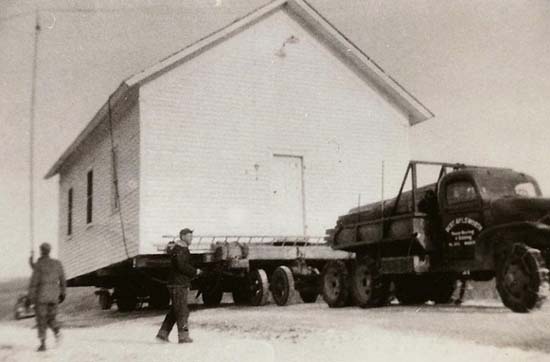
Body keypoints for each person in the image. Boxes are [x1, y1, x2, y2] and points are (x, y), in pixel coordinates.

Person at [156, 228, 201, 343]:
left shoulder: (180, 248)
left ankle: (162, 334)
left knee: (176, 310)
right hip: (178, 284)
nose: (191, 238)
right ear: (183, 236)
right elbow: (181, 265)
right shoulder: (180, 249)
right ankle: (183, 336)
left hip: (178, 283)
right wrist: (194, 271)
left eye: (192, 236)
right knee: (182, 311)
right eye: (189, 236)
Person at [27, 242, 66, 352]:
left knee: (41, 319)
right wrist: (63, 293)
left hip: (41, 297)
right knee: (51, 318)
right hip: (54, 296)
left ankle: (43, 344)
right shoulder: (57, 263)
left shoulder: (39, 265)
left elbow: (34, 282)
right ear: (49, 251)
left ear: (41, 251)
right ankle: (57, 332)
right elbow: (63, 280)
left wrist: (30, 297)